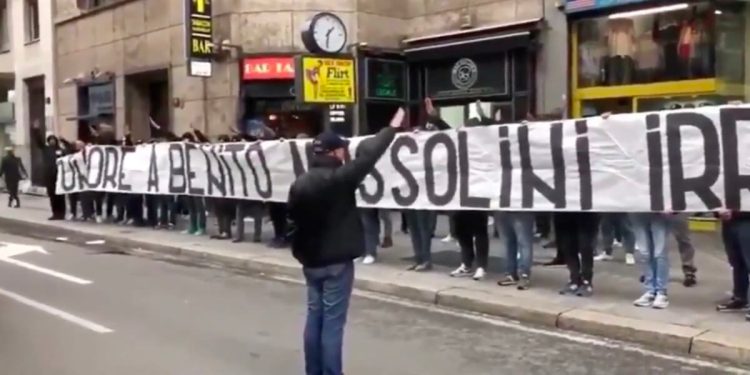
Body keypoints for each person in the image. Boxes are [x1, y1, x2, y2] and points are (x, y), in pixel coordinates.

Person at [288, 107, 402, 375]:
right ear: (336, 152)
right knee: (333, 324)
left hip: (310, 261)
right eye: (342, 150)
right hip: (337, 261)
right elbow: (371, 154)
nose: (345, 154)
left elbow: (292, 219)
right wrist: (393, 128)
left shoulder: (299, 183)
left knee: (314, 317)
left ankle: (313, 371)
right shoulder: (341, 178)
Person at [630, 212, 672, 309]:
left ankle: (661, 292)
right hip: (638, 209)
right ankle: (650, 290)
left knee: (659, 252)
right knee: (645, 253)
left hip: (659, 211)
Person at [716, 209, 750, 318]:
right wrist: (718, 212)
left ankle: (740, 297)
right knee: (736, 261)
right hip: (729, 222)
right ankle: (740, 297)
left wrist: (734, 212)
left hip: (746, 220)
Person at [32, 121, 66, 220]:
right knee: (52, 196)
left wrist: (63, 140)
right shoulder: (45, 149)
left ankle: (62, 213)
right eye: (50, 140)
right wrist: (36, 130)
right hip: (49, 176)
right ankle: (55, 213)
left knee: (60, 196)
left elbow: (69, 153)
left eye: (53, 140)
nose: (52, 141)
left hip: (59, 176)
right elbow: (38, 141)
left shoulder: (61, 150)